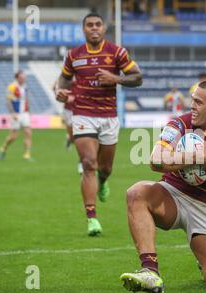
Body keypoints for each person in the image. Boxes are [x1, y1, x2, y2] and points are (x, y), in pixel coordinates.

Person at [120, 80, 206, 293]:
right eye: (192, 100)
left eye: (198, 102)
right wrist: (195, 156)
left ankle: (203, 256)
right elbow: (155, 160)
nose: (192, 105)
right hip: (173, 196)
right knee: (137, 193)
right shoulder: (179, 124)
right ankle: (150, 271)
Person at [55, 13, 142, 236]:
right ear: (83, 29)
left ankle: (103, 182)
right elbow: (64, 78)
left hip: (109, 117)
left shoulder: (117, 52)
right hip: (83, 114)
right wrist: (60, 91)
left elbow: (137, 77)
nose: (94, 28)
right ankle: (92, 218)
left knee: (105, 168)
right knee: (88, 163)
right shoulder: (73, 55)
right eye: (89, 25)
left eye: (98, 24)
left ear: (103, 29)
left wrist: (116, 79)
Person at [0, 70, 32, 161]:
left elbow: (26, 99)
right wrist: (12, 113)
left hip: (25, 113)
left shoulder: (25, 87)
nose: (24, 79)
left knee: (28, 133)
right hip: (16, 114)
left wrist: (29, 111)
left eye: (24, 77)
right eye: (22, 77)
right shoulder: (11, 87)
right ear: (17, 78)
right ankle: (4, 148)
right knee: (14, 137)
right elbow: (8, 101)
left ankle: (27, 155)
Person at [53, 78, 83, 174]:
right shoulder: (67, 74)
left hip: (81, 109)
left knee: (81, 137)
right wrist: (61, 93)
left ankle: (82, 161)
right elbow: (55, 86)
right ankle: (69, 139)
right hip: (68, 110)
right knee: (73, 136)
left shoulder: (83, 72)